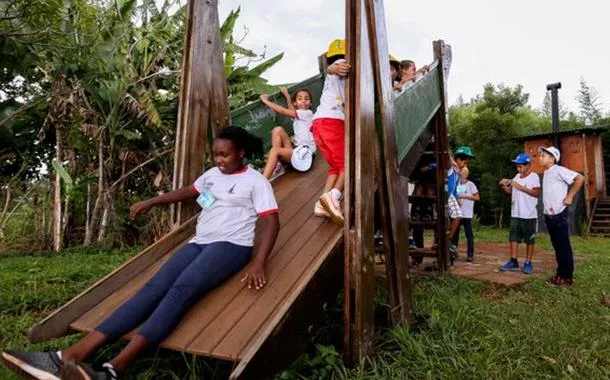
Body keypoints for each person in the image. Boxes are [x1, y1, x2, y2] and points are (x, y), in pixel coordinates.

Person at [0, 127, 280, 380]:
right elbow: (189, 191)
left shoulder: (256, 182)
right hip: (200, 241)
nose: (219, 160)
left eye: (225, 155)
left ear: (241, 153)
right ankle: (69, 356)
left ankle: (113, 369)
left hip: (231, 246)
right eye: (216, 154)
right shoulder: (211, 176)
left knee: (180, 290)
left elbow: (271, 222)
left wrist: (258, 262)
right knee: (152, 288)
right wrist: (152, 201)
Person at [312, 39, 349, 225]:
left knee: (335, 167)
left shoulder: (331, 73)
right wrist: (335, 68)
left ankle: (321, 203)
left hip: (319, 123)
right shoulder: (341, 64)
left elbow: (330, 69)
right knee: (347, 164)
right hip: (332, 121)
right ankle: (334, 197)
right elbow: (334, 68)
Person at [538, 146, 584, 286]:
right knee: (557, 246)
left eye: (543, 155)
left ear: (552, 158)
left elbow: (580, 178)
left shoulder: (558, 170)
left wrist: (570, 196)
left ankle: (567, 277)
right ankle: (561, 274)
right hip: (549, 214)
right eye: (540, 155)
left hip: (559, 214)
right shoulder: (546, 172)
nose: (540, 157)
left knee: (563, 245)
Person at [259, 87, 316, 180]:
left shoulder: (307, 113)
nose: (303, 101)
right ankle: (278, 165)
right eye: (300, 99)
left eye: (306, 99)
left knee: (275, 151)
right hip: (297, 153)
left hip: (305, 157)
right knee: (278, 130)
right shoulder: (299, 116)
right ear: (295, 103)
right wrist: (287, 96)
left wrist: (266, 101)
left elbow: (283, 111)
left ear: (311, 103)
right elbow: (291, 109)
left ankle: (262, 182)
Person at [498, 153, 540, 274]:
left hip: (529, 214)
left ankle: (528, 262)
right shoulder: (516, 176)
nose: (518, 169)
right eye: (517, 166)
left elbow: (536, 193)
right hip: (516, 213)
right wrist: (503, 185)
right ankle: (513, 260)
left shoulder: (534, 177)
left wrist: (519, 186)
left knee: (529, 239)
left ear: (528, 166)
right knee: (513, 238)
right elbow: (511, 191)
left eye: (520, 166)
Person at [448, 146, 474, 264]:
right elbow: (448, 157)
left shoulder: (458, 174)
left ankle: (450, 242)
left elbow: (456, 189)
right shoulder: (451, 167)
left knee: (457, 218)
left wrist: (458, 198)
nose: (465, 164)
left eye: (466, 162)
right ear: (457, 160)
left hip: (452, 197)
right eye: (463, 161)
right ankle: (449, 240)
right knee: (457, 216)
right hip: (447, 195)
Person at [453, 166, 480, 262]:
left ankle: (470, 254)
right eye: (460, 173)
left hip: (467, 214)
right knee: (455, 234)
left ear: (467, 174)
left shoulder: (470, 184)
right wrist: (458, 198)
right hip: (458, 214)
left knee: (469, 235)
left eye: (464, 173)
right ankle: (453, 252)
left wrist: (466, 196)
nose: (462, 175)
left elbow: (477, 197)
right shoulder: (456, 184)